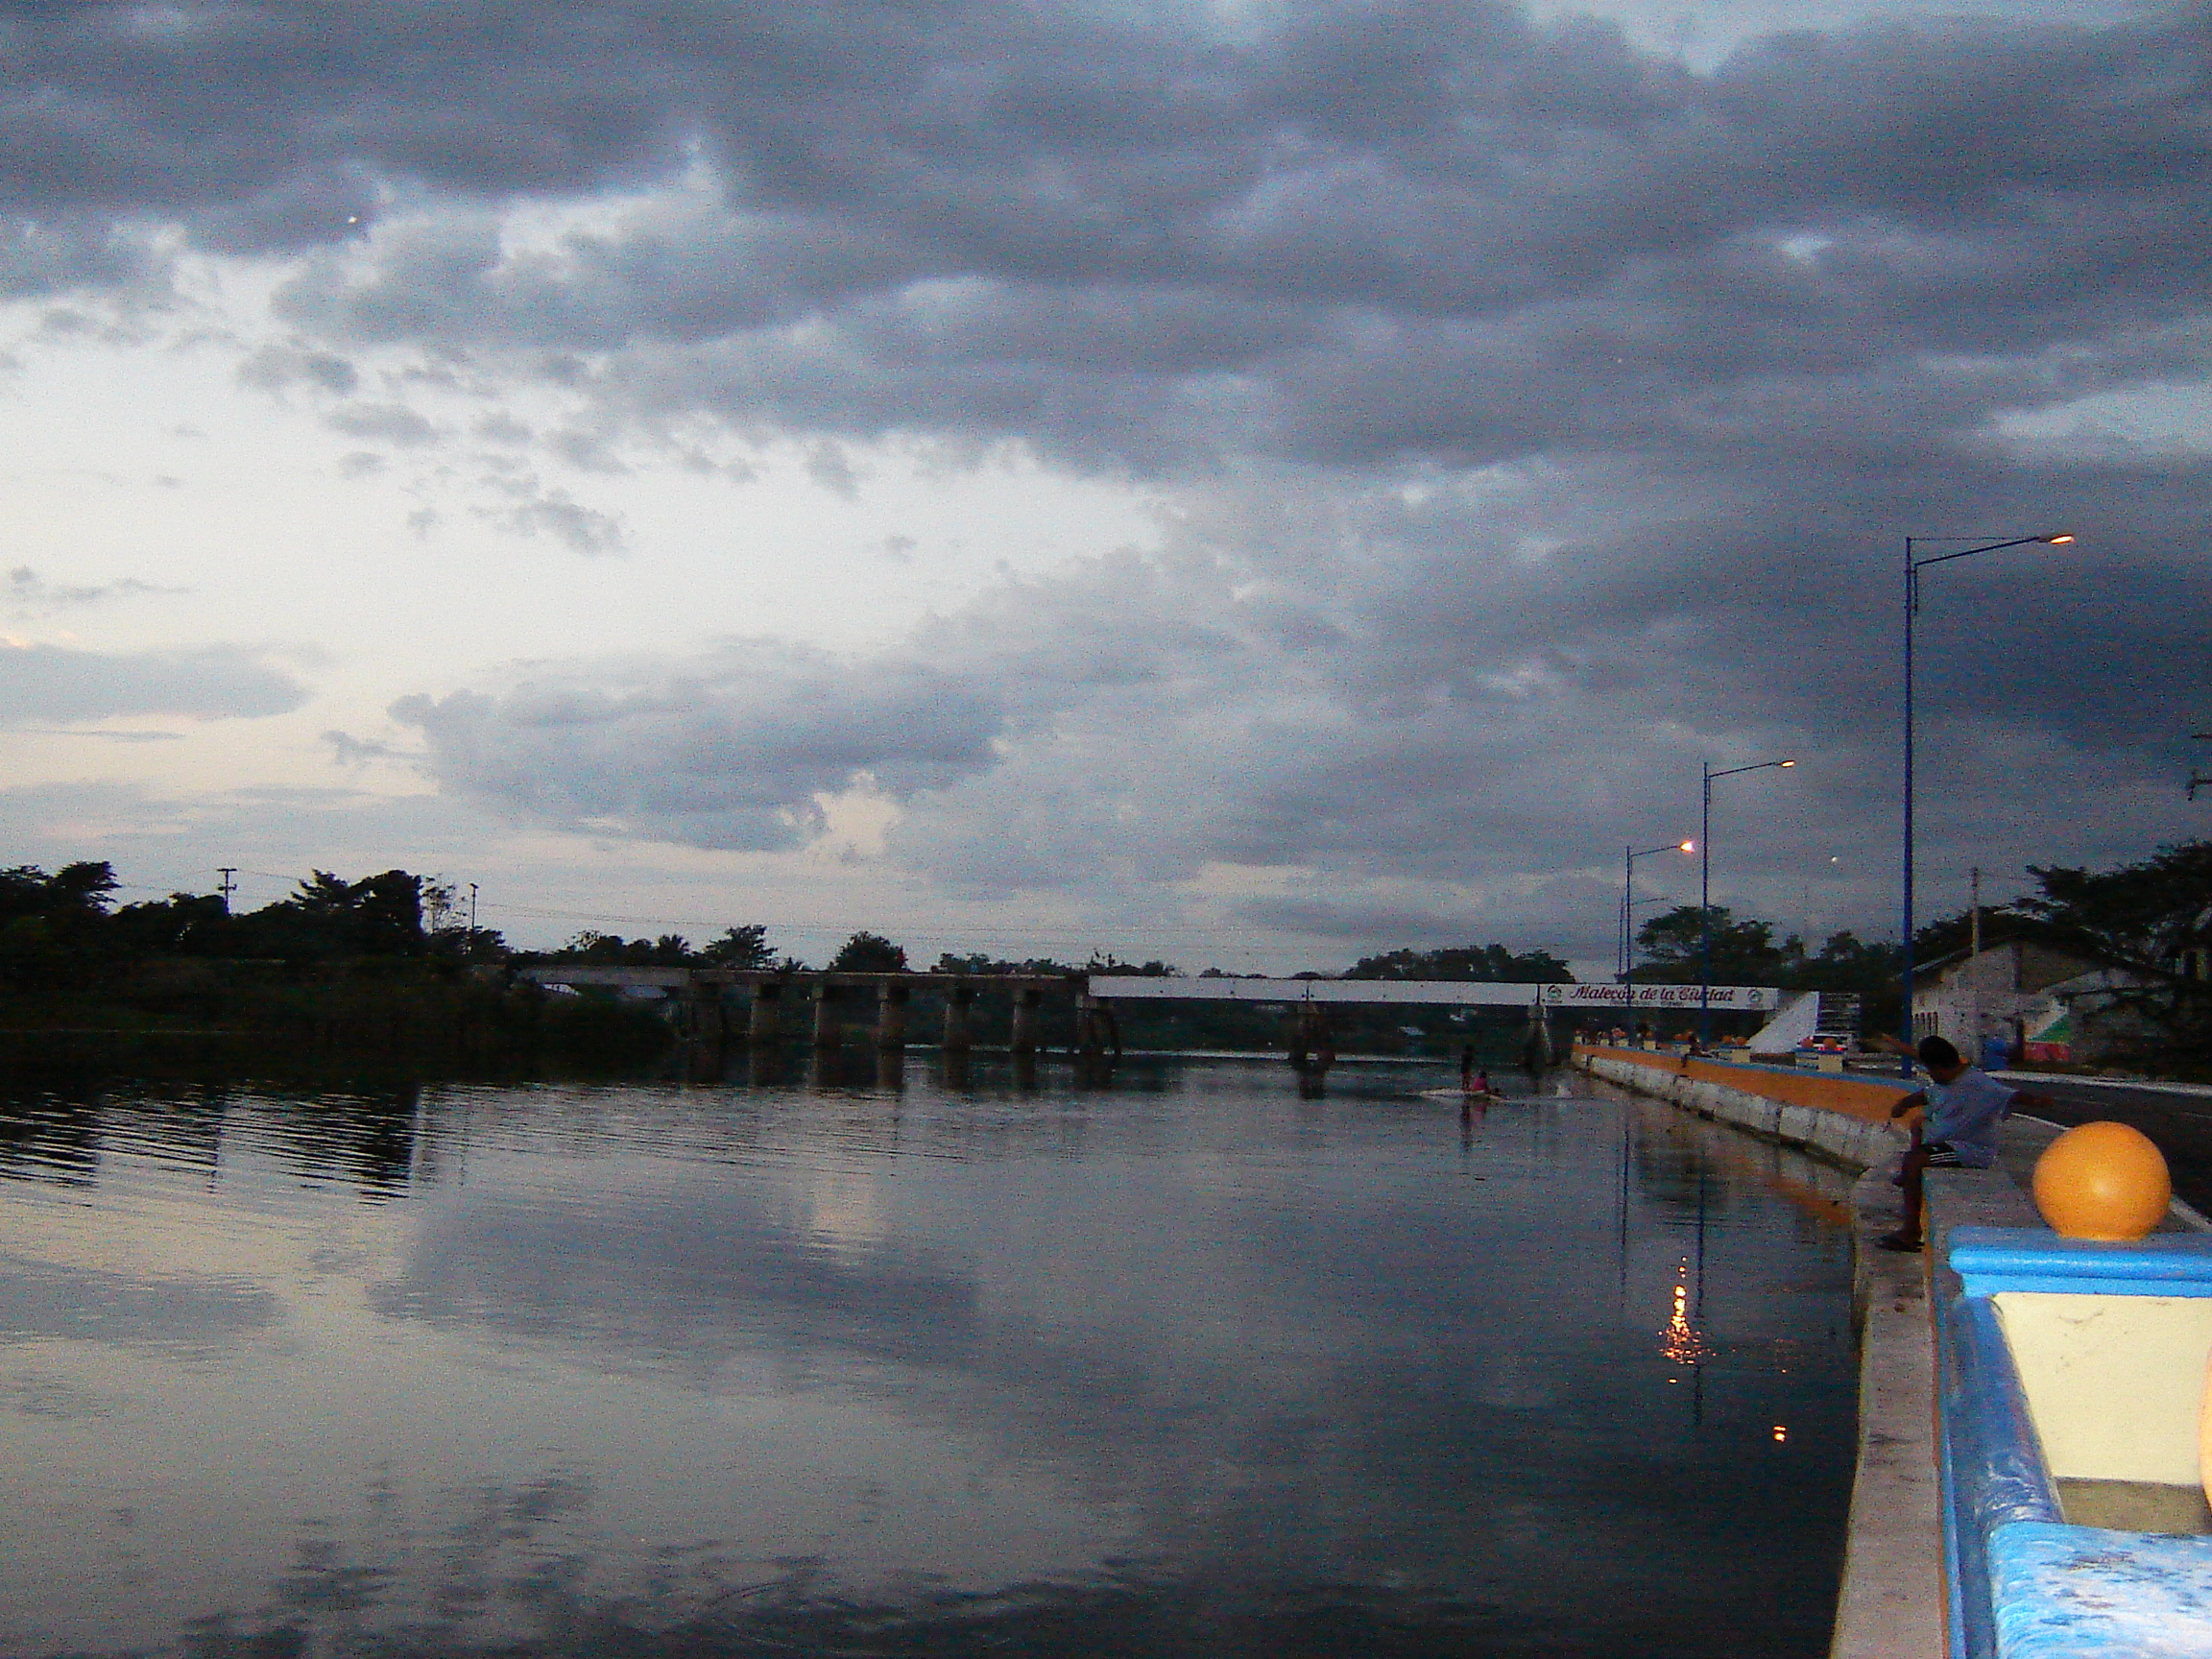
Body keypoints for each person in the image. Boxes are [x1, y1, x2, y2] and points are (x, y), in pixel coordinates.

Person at [1874, 1034, 2056, 1253]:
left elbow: (2013, 1096)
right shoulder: (1944, 1082)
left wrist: (2042, 1101)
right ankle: (1908, 1182)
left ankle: (1910, 1232)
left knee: (1914, 1162)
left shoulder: (1979, 1084)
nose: (1932, 1076)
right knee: (1917, 1129)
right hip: (1945, 1143)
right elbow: (1926, 1094)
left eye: (1932, 1071)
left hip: (1968, 1149)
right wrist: (1904, 1104)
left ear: (1942, 1067)